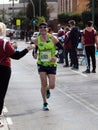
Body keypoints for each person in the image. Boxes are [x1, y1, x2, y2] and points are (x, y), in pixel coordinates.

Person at [0, 22, 34, 127]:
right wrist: (28, 48)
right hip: (3, 69)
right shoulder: (4, 42)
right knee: (0, 94)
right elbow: (16, 56)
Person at [32, 22, 63, 111]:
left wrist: (56, 56)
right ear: (39, 30)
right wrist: (34, 55)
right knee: (43, 83)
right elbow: (34, 51)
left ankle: (47, 89)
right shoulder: (37, 40)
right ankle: (45, 103)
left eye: (44, 27)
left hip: (52, 64)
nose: (42, 28)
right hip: (41, 64)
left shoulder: (53, 38)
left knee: (52, 85)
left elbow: (61, 49)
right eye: (40, 27)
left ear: (47, 29)